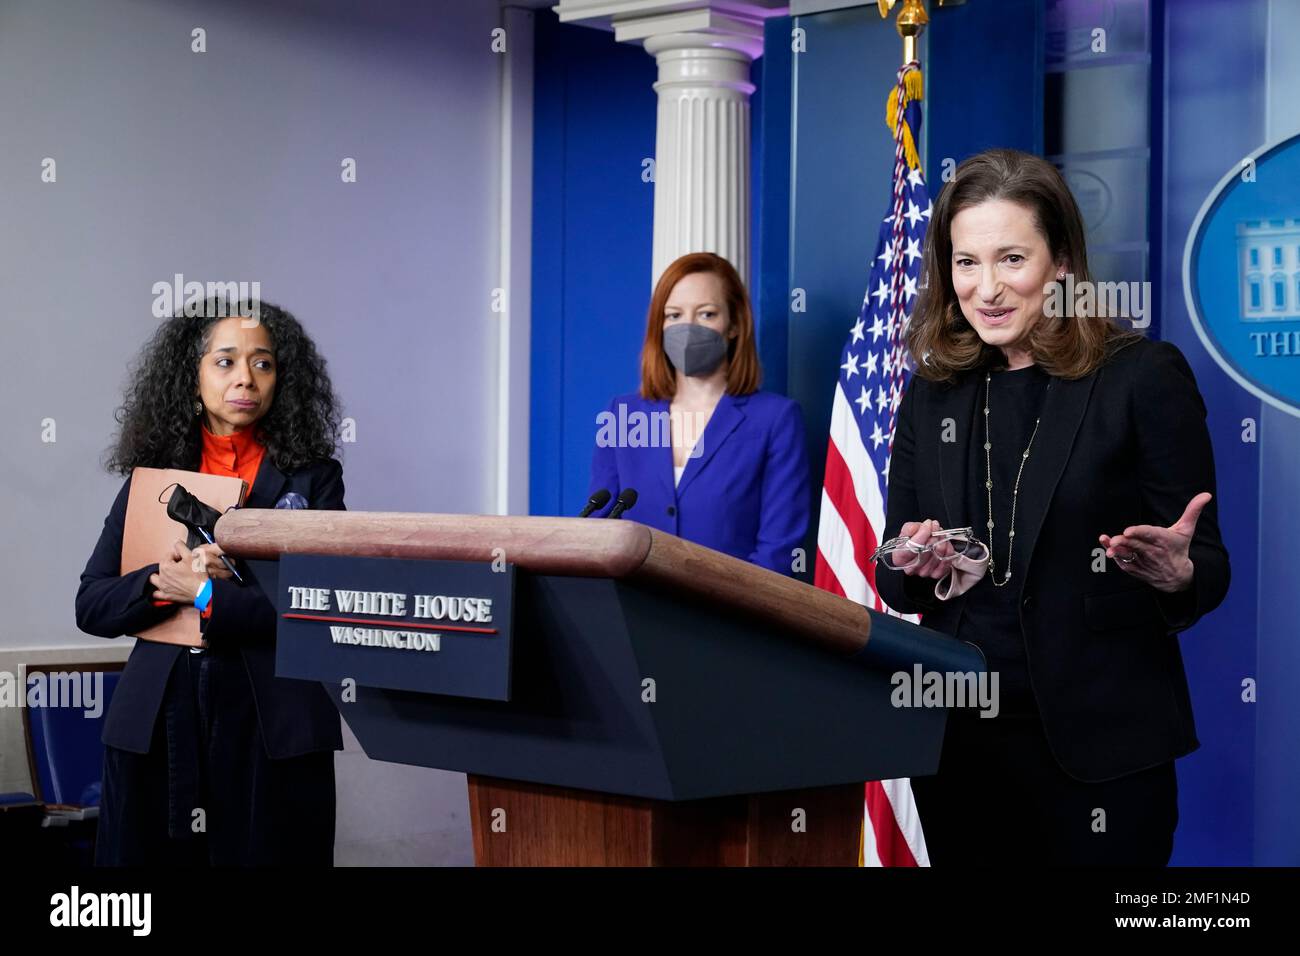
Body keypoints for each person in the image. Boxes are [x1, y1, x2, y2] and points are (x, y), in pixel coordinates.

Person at [875, 149, 1230, 866]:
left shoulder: (1140, 376)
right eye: (966, 262)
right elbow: (893, 574)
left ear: (1062, 262)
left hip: (1102, 754)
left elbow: (1208, 567)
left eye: (1012, 258)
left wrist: (1175, 573)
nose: (987, 288)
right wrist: (912, 562)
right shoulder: (930, 394)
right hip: (960, 749)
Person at [76, 298, 346, 865]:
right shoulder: (151, 480)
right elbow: (93, 604)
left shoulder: (314, 479)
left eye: (263, 363)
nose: (245, 377)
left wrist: (205, 595)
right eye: (225, 362)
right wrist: (162, 581)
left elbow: (320, 605)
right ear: (192, 377)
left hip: (272, 725)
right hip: (157, 720)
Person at [588, 252, 810, 575]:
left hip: (729, 619)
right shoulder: (623, 415)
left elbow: (778, 551)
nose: (688, 328)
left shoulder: (776, 420)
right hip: (631, 612)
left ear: (734, 324)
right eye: (674, 315)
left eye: (706, 314)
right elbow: (599, 528)